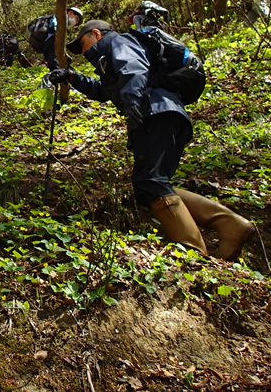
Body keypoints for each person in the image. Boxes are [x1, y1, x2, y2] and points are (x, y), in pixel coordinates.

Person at [50, 20, 255, 261]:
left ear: (97, 34)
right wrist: (72, 76)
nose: (84, 53)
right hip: (166, 115)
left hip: (155, 113)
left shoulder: (119, 41)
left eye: (84, 45)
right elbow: (104, 91)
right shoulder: (109, 62)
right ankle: (230, 226)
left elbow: (134, 68)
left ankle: (196, 254)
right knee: (152, 185)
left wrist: (133, 102)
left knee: (149, 182)